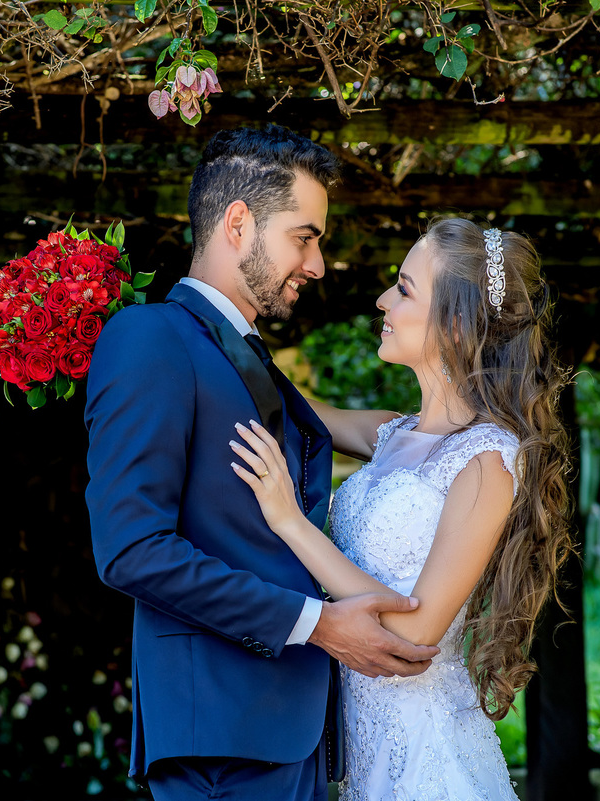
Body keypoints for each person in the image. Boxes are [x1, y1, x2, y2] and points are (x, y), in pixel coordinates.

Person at [84, 125, 440, 801]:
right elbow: (130, 549)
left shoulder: (242, 357)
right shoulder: (151, 338)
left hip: (289, 732)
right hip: (222, 739)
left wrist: (482, 434)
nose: (318, 265)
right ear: (239, 224)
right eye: (305, 238)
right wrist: (315, 623)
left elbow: (347, 430)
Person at [230, 217, 574, 800]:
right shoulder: (391, 434)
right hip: (365, 758)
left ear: (459, 325)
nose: (383, 299)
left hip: (429, 763)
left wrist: (290, 522)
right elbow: (282, 400)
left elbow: (416, 632)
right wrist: (211, 327)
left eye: (406, 288)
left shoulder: (487, 461)